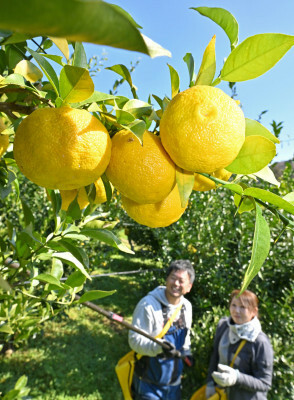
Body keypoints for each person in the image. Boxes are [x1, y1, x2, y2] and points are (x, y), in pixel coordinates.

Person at [128, 259, 195, 400]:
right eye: (173, 278)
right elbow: (134, 341)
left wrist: (187, 352)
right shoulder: (148, 305)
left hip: (173, 385)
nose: (176, 284)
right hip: (148, 384)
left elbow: (185, 337)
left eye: (181, 281)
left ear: (189, 287)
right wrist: (158, 347)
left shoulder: (186, 307)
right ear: (166, 279)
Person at [205, 289, 274, 400]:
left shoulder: (260, 342)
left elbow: (264, 383)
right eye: (234, 305)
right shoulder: (224, 326)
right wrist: (210, 383)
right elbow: (215, 356)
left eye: (243, 307)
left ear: (254, 311)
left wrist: (237, 377)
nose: (237, 311)